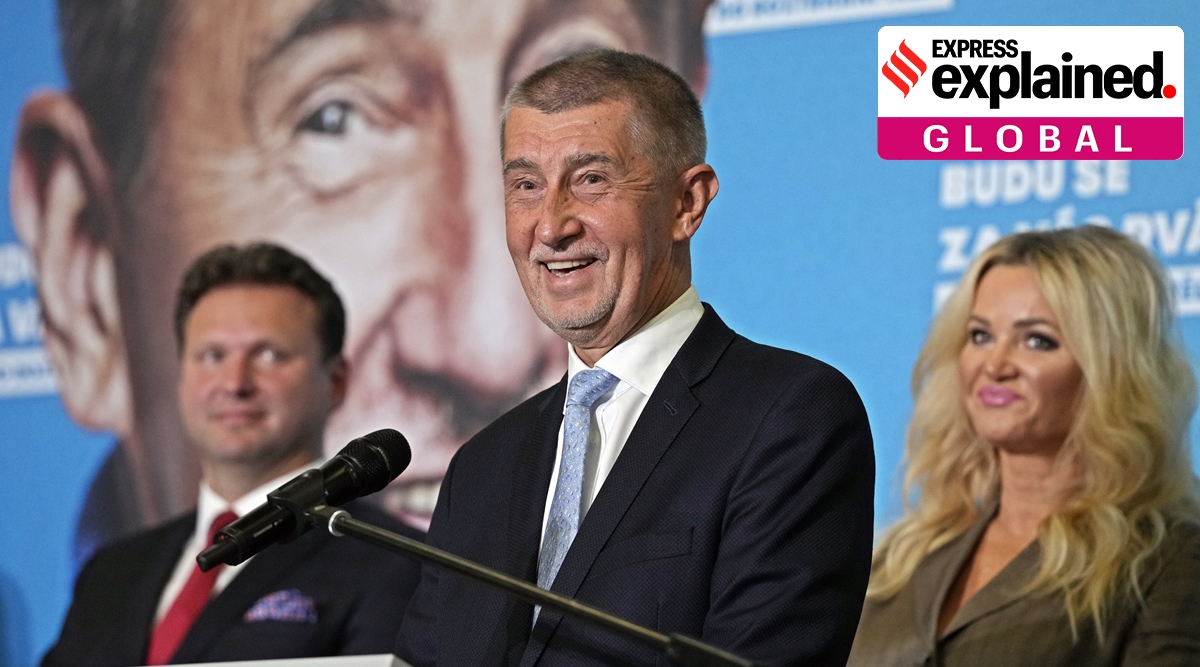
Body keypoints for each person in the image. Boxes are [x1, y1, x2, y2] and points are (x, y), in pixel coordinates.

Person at [8, 0, 712, 562]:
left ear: (683, 200)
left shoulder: (772, 436)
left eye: (592, 173)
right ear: (84, 264)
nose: (490, 349)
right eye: (335, 119)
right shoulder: (106, 603)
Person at [396, 49, 875, 667]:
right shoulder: (482, 468)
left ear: (687, 204)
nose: (551, 226)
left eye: (591, 179)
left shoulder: (789, 418)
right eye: (526, 186)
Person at [40, 243, 425, 667]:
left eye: (269, 355)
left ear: (335, 381)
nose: (235, 382)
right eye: (212, 355)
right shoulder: (111, 573)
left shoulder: (395, 562)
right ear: (181, 378)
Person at [847, 226, 1200, 666]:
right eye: (980, 336)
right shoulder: (900, 561)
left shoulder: (1166, 561)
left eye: (1037, 340)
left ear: (1109, 369)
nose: (995, 365)